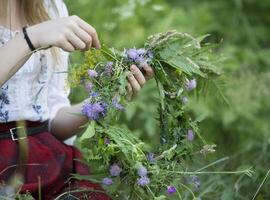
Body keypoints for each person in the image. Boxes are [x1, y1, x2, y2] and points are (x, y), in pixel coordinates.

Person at [0, 0, 154, 199]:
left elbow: (53, 123)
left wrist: (103, 100)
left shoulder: (50, 8)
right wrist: (31, 37)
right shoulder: (42, 28)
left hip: (42, 157)